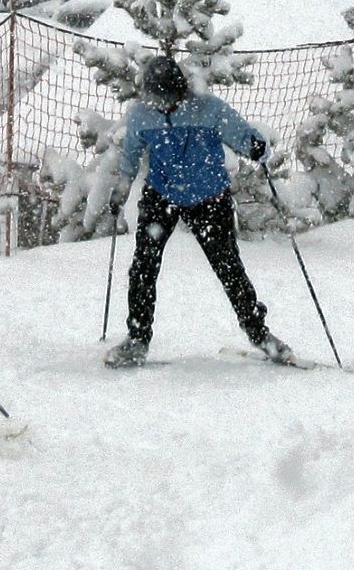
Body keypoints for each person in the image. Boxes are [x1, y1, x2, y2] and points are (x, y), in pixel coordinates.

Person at [104, 55, 292, 369]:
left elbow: (243, 136)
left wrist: (256, 148)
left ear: (181, 91)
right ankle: (137, 339)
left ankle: (260, 334)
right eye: (156, 99)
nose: (162, 105)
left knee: (229, 268)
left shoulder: (209, 109)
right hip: (162, 195)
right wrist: (121, 190)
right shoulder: (140, 115)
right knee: (143, 267)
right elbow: (130, 158)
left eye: (168, 98)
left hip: (208, 198)